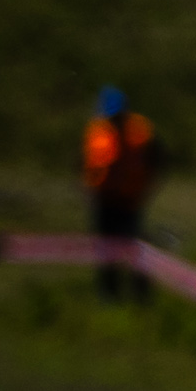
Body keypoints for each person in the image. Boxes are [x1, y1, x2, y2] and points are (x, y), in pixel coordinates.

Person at [80, 85, 157, 299]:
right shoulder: (96, 131)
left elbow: (156, 160)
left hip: (130, 199)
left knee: (135, 246)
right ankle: (108, 294)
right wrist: (87, 189)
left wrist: (147, 186)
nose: (115, 121)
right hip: (104, 199)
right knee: (105, 248)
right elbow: (85, 162)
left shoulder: (140, 131)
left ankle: (140, 295)